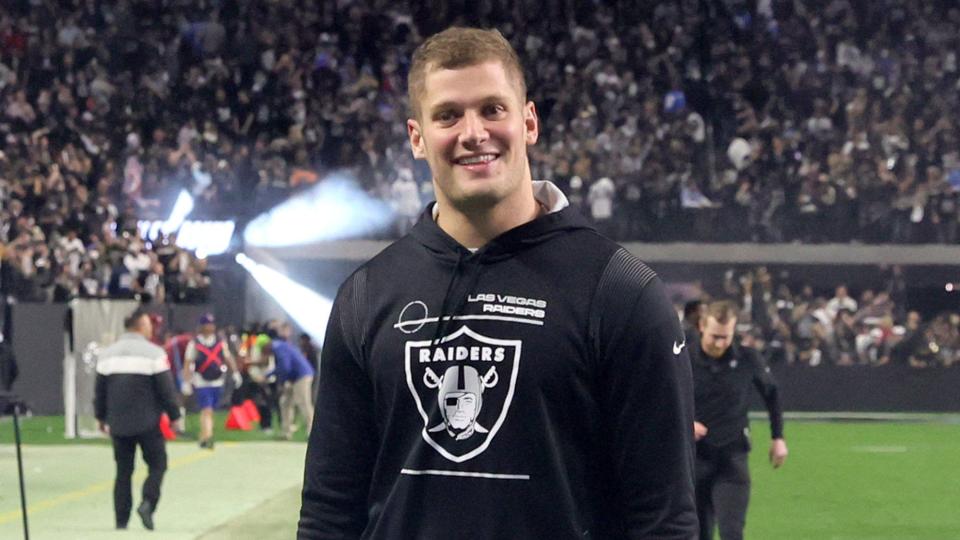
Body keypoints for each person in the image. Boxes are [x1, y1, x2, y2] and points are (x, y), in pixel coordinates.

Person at [299, 26, 697, 539]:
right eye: (448, 115)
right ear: (417, 138)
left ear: (528, 122)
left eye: (492, 109)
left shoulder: (620, 291)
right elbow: (330, 511)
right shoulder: (367, 294)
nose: (473, 132)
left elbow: (665, 521)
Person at [687, 300, 788, 540]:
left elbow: (772, 395)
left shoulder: (748, 359)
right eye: (714, 336)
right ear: (702, 326)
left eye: (726, 337)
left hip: (732, 460)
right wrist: (684, 423)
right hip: (693, 460)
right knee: (698, 534)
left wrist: (778, 437)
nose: (720, 343)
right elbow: (661, 398)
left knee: (732, 532)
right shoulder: (683, 358)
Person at [94, 308, 180, 530]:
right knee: (158, 464)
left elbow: (100, 391)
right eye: (149, 324)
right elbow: (166, 389)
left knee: (123, 472)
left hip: (119, 423)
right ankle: (148, 502)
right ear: (141, 326)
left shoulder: (107, 355)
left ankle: (121, 522)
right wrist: (174, 416)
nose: (152, 327)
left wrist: (101, 417)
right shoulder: (154, 354)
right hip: (148, 422)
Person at [182, 313, 241, 449]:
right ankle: (208, 437)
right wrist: (186, 381)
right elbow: (188, 363)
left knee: (210, 410)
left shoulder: (220, 342)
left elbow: (228, 358)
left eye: (211, 324)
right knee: (206, 409)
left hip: (217, 380)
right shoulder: (194, 343)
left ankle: (203, 436)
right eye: (207, 325)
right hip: (201, 381)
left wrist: (236, 372)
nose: (210, 327)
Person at [264, 324, 315, 440]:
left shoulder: (278, 347)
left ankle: (312, 432)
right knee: (285, 403)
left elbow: (285, 366)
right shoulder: (280, 345)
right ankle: (286, 432)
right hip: (294, 377)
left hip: (301, 375)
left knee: (303, 403)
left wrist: (279, 380)